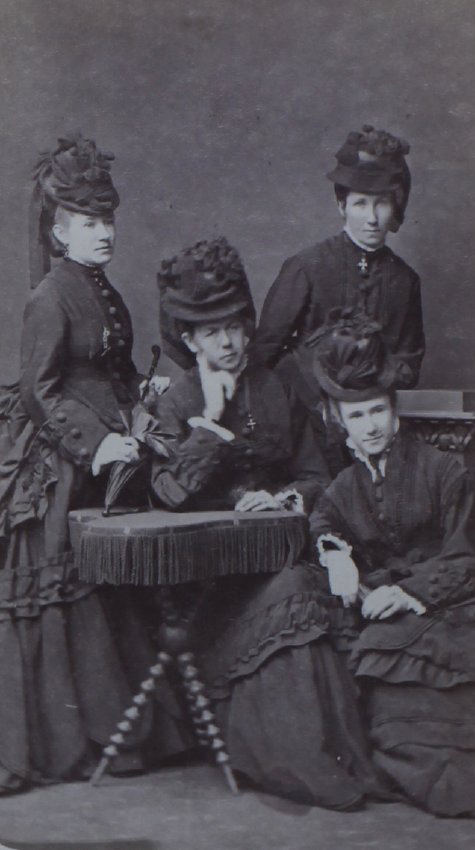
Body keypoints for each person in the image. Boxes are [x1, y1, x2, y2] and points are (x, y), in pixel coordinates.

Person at [151, 237, 383, 808]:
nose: (229, 341)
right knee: (293, 590)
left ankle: (332, 757)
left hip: (283, 552)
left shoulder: (278, 384)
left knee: (300, 583)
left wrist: (284, 499)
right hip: (210, 584)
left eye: (235, 325)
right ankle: (300, 766)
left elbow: (317, 475)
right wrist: (209, 421)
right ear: (187, 337)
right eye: (212, 332)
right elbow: (169, 497)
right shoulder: (176, 404)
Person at [0, 134, 191, 793]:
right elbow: (38, 390)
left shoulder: (103, 290)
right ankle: (72, 742)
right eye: (88, 222)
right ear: (58, 231)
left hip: (112, 457)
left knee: (115, 582)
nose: (103, 232)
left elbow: (113, 369)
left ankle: (127, 732)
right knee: (71, 590)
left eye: (107, 220)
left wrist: (145, 393)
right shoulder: (50, 297)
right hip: (63, 464)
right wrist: (95, 442)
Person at [309, 312, 475, 821]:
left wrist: (410, 592)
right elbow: (325, 520)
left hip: (463, 599)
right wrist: (337, 555)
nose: (370, 426)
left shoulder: (444, 470)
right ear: (338, 421)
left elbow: (465, 558)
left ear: (394, 411)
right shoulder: (342, 488)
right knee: (395, 715)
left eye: (377, 411)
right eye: (357, 417)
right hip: (396, 620)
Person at [252, 125, 425, 472]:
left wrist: (367, 388)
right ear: (341, 205)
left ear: (396, 206)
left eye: (382, 204)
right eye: (361, 204)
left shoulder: (405, 281)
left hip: (373, 429)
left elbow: (409, 362)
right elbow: (264, 356)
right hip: (303, 432)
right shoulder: (306, 266)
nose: (372, 218)